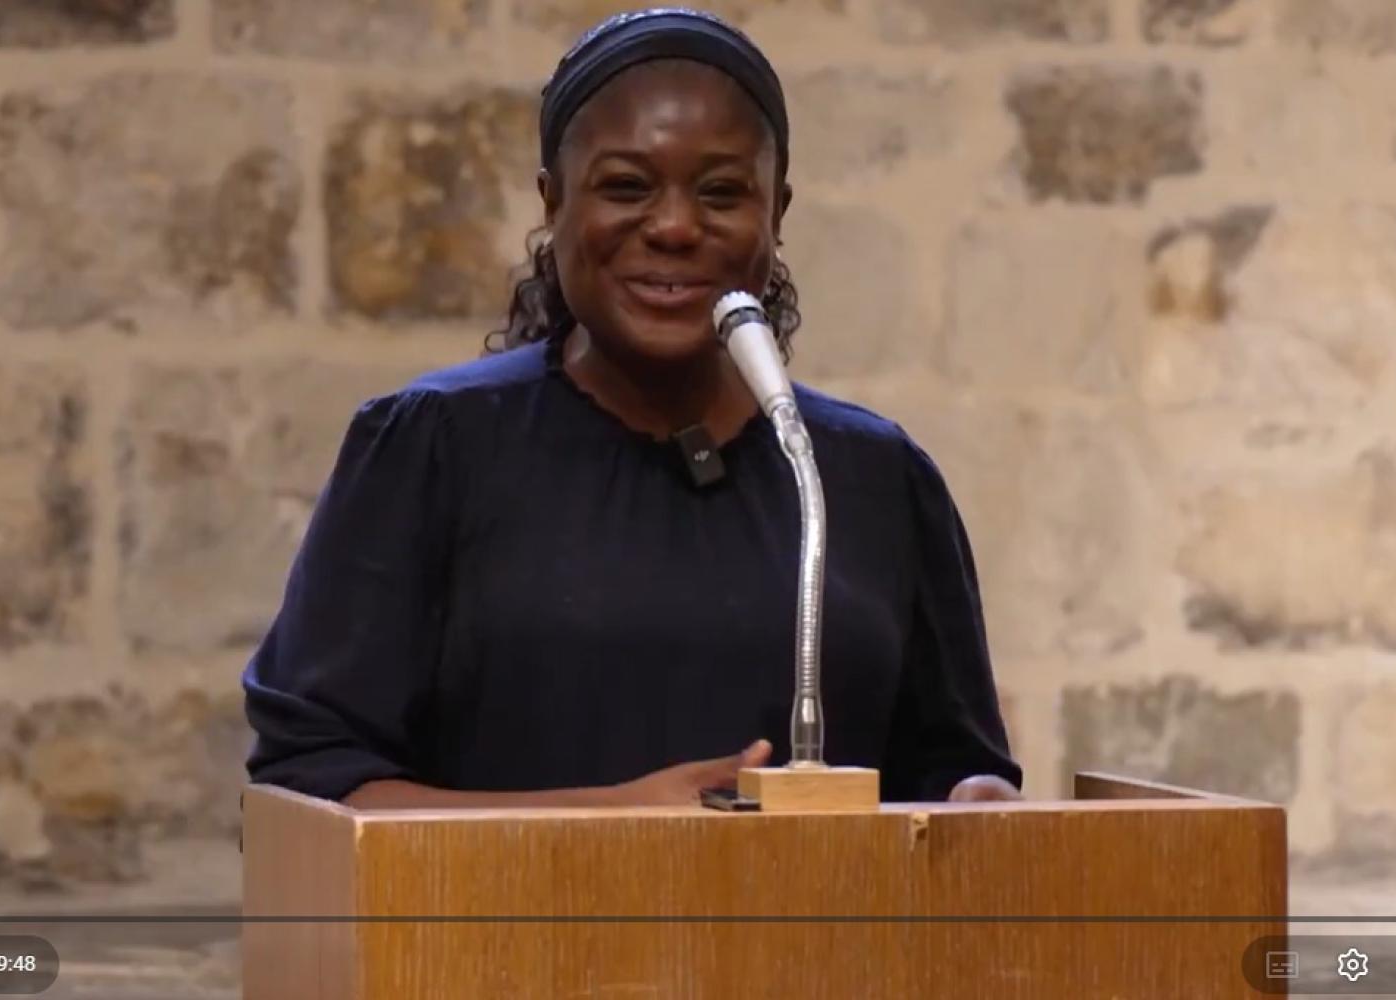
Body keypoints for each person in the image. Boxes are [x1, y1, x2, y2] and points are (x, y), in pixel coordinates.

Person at [241, 7, 1023, 808]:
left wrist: (976, 803)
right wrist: (611, 826)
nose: (676, 226)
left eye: (722, 192)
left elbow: (952, 767)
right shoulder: (431, 449)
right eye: (625, 187)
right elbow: (312, 791)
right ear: (553, 203)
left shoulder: (867, 476)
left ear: (777, 211)